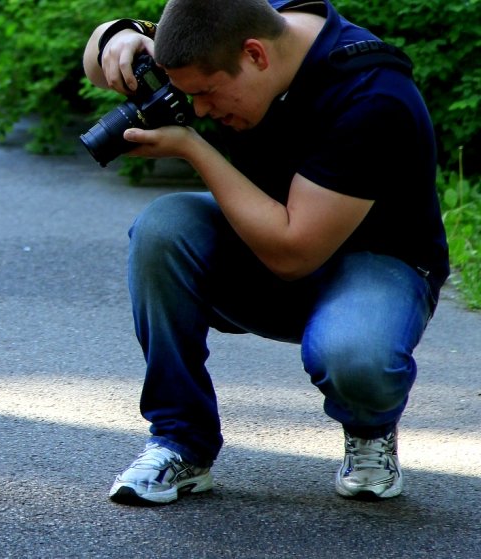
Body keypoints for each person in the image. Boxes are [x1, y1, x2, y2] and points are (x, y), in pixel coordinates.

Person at [82, 0, 449, 505]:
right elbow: (101, 52)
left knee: (353, 355)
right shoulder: (246, 19)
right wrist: (116, 37)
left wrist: (192, 147)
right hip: (271, 243)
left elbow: (293, 253)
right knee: (162, 228)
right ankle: (180, 442)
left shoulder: (371, 95)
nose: (203, 109)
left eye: (208, 93)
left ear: (255, 55)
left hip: (376, 266)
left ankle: (369, 428)